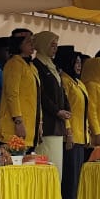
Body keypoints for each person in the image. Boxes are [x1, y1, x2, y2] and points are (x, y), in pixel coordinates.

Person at [32, 32, 71, 182]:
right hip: (47, 124)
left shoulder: (52, 66)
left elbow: (61, 91)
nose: (55, 49)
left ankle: (54, 195)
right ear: (43, 45)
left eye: (56, 46)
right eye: (52, 45)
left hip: (58, 125)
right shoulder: (37, 66)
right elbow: (41, 95)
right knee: (47, 167)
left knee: (57, 168)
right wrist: (57, 111)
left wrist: (67, 109)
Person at [56, 47, 88, 199]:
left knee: (77, 171)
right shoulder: (65, 81)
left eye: (80, 63)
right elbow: (65, 107)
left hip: (81, 133)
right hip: (71, 132)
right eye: (76, 63)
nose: (79, 66)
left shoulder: (79, 82)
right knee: (70, 170)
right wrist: (68, 131)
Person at [1, 34, 41, 150]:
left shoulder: (31, 66)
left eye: (33, 42)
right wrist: (18, 121)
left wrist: (40, 122)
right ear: (19, 44)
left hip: (31, 125)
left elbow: (37, 96)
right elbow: (12, 94)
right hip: (16, 125)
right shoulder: (14, 64)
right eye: (28, 42)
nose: (32, 45)